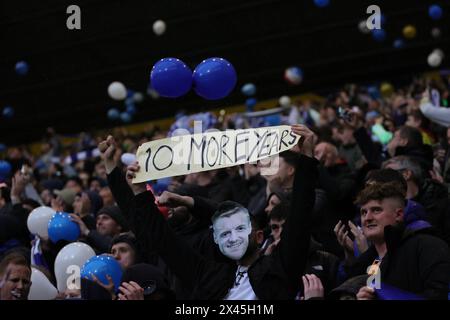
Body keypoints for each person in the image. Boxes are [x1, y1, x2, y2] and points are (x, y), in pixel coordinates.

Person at [100, 124, 317, 299]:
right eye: (224, 233)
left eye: (240, 228)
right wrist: (139, 191)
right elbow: (161, 239)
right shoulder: (207, 273)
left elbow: (300, 216)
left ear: (259, 236)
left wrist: (306, 158)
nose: (232, 237)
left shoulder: (279, 267)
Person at [341, 182, 450, 299]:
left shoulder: (427, 246)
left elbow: (439, 295)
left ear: (398, 214)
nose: (367, 218)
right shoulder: (367, 261)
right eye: (364, 212)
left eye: (376, 210)